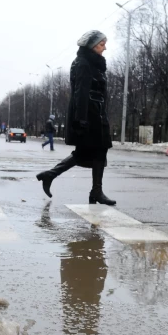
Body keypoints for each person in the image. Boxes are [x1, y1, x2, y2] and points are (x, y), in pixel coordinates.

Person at [36, 30, 115, 205]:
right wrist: (81, 119)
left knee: (96, 152)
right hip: (89, 115)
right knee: (88, 153)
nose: (105, 48)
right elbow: (81, 92)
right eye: (102, 44)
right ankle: (94, 191)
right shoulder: (83, 63)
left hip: (97, 113)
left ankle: (94, 190)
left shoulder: (95, 63)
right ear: (92, 45)